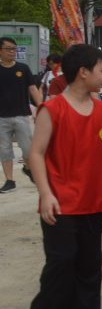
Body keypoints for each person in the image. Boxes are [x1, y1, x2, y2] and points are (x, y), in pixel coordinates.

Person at [26, 43, 102, 309]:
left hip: (94, 202)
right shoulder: (52, 109)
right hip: (60, 203)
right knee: (60, 266)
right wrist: (45, 193)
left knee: (89, 267)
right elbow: (36, 154)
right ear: (83, 72)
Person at [0, 35, 42, 193]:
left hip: (22, 116)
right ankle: (10, 181)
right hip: (1, 117)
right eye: (8, 49)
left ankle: (28, 168)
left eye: (14, 49)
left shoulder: (23, 69)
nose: (12, 52)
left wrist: (42, 108)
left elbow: (33, 90)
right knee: (5, 150)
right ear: (0, 51)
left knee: (27, 150)